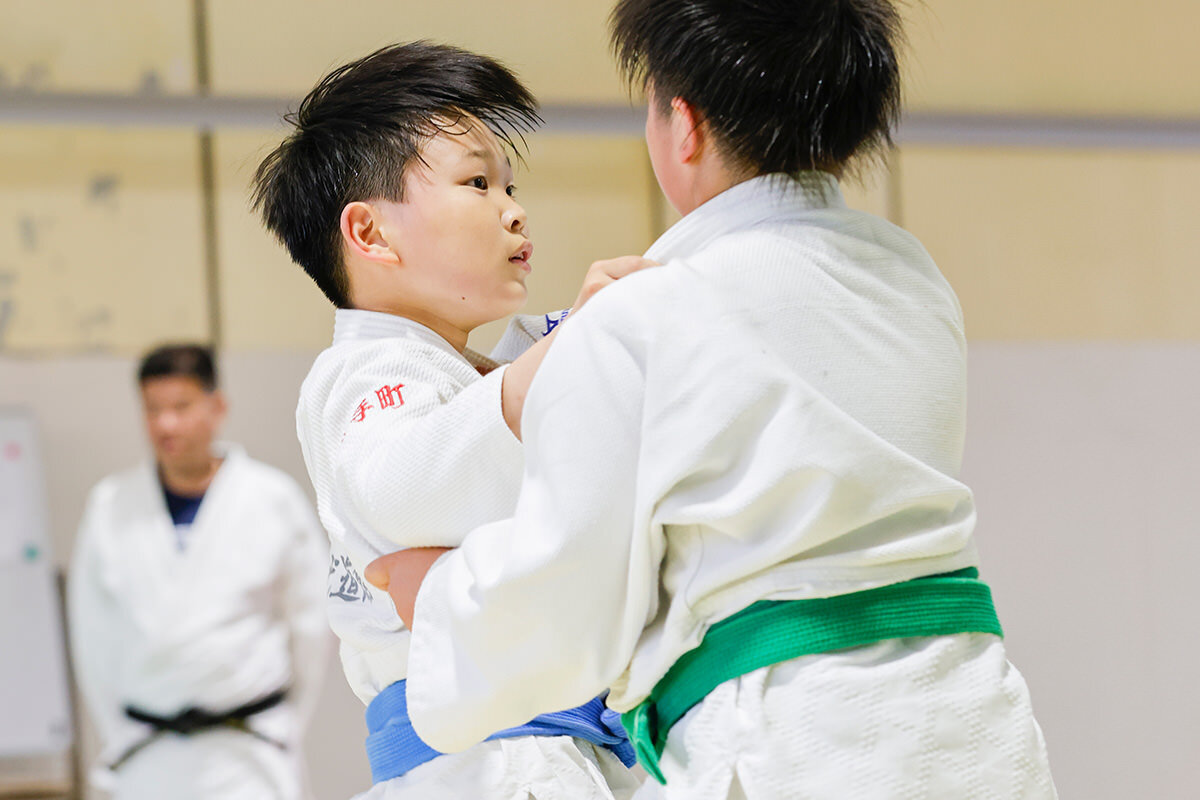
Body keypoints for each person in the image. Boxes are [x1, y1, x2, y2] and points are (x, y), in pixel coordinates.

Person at [374, 2, 1059, 798]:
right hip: (974, 724)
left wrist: (438, 595)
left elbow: (568, 602)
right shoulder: (916, 283)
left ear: (684, 127)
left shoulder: (647, 313)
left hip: (795, 743)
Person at [252, 42, 649, 799]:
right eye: (477, 182)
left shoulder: (500, 361)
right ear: (369, 234)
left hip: (559, 748)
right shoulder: (363, 372)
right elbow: (414, 485)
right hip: (483, 763)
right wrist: (574, 354)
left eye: (509, 182)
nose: (513, 207)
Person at [68, 344, 330, 800]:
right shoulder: (111, 505)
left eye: (181, 407)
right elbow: (92, 636)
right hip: (145, 753)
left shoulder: (271, 499)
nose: (165, 424)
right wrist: (117, 733)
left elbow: (311, 627)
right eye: (153, 409)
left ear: (217, 407)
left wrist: (284, 726)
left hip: (249, 750)